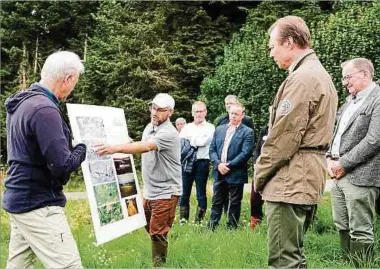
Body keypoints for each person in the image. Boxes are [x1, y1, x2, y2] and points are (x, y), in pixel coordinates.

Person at [254, 16, 338, 268]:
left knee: (283, 260)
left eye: (272, 46)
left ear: (289, 43)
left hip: (291, 179)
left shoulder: (302, 79)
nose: (271, 53)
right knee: (294, 256)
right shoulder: (318, 74)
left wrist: (260, 173)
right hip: (305, 175)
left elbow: (284, 137)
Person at [3, 51, 87, 268]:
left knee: (18, 265)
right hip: (39, 203)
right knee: (69, 266)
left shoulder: (23, 103)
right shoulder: (44, 109)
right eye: (74, 82)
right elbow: (62, 166)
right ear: (67, 79)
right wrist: (82, 148)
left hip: (20, 198)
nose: (72, 88)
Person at [95, 93, 182, 267]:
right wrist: (122, 141)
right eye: (153, 107)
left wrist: (115, 148)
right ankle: (160, 253)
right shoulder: (150, 127)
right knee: (148, 226)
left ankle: (159, 265)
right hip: (149, 191)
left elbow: (146, 146)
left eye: (160, 109)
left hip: (166, 192)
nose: (155, 112)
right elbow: (141, 143)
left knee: (157, 232)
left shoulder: (169, 133)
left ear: (170, 112)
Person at [326, 58, 380, 266]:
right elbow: (337, 133)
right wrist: (329, 158)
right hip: (337, 172)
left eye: (348, 77)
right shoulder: (350, 100)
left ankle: (362, 266)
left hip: (362, 175)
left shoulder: (377, 98)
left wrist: (343, 163)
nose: (344, 82)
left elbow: (374, 139)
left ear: (365, 74)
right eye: (343, 78)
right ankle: (347, 264)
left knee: (360, 228)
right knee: (342, 224)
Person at [208, 103, 254, 230]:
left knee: (234, 202)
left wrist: (228, 165)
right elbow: (212, 149)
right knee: (216, 201)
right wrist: (218, 164)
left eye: (236, 114)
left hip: (235, 172)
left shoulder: (247, 132)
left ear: (242, 115)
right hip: (219, 171)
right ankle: (211, 227)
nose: (233, 116)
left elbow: (246, 153)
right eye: (231, 113)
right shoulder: (219, 129)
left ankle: (231, 228)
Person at [215, 94, 255, 215]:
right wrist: (219, 163)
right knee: (219, 196)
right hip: (221, 164)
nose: (229, 107)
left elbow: (248, 145)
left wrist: (231, 164)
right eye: (227, 105)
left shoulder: (246, 120)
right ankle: (221, 215)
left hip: (237, 163)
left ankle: (232, 221)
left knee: (235, 198)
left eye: (232, 104)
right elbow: (216, 144)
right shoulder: (221, 121)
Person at [178, 101, 215, 223]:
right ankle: (183, 220)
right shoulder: (186, 127)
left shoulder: (210, 127)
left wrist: (191, 139)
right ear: (192, 112)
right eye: (196, 111)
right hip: (187, 161)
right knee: (184, 192)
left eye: (201, 111)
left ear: (205, 112)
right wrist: (195, 140)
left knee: (201, 193)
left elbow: (202, 142)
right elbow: (182, 144)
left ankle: (198, 222)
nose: (198, 114)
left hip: (202, 163)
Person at [250, 124, 268, 231]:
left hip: (275, 168)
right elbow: (257, 149)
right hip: (260, 168)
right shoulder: (265, 129)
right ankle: (255, 223)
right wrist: (255, 162)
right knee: (254, 197)